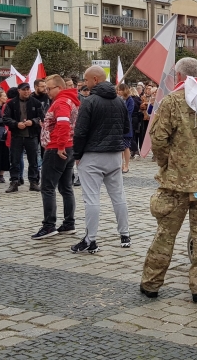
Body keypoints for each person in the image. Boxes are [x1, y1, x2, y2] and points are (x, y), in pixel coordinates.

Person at [140, 57, 197, 302]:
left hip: (175, 184)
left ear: (180, 77)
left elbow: (157, 139)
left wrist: (168, 164)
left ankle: (151, 284)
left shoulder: (171, 101)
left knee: (165, 235)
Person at [71, 65, 131, 253]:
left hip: (92, 155)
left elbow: (80, 132)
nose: (85, 83)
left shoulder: (89, 102)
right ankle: (125, 234)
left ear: (95, 80)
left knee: (91, 199)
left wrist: (77, 155)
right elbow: (126, 129)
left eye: (86, 80)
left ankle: (91, 239)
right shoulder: (120, 101)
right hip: (114, 155)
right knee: (118, 196)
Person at [32, 75, 81, 240]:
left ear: (59, 88)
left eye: (49, 88)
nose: (47, 92)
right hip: (69, 146)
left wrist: (59, 146)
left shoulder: (61, 102)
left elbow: (63, 123)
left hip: (57, 149)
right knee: (66, 187)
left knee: (47, 187)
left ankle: (49, 225)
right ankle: (68, 223)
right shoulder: (70, 100)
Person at [3, 83, 44, 193]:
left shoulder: (36, 102)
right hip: (17, 135)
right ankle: (14, 181)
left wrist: (33, 122)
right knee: (14, 160)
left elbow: (42, 117)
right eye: (24, 90)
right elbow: (6, 118)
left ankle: (34, 182)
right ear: (19, 91)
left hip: (32, 135)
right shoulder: (11, 103)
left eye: (28, 89)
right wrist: (16, 124)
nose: (26, 92)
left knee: (33, 160)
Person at [116, 83, 135, 173]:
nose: (119, 92)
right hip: (118, 126)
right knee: (119, 147)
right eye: (118, 90)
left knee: (125, 146)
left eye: (121, 90)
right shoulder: (117, 99)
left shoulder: (130, 100)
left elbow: (129, 113)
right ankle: (121, 165)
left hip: (126, 126)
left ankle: (126, 165)